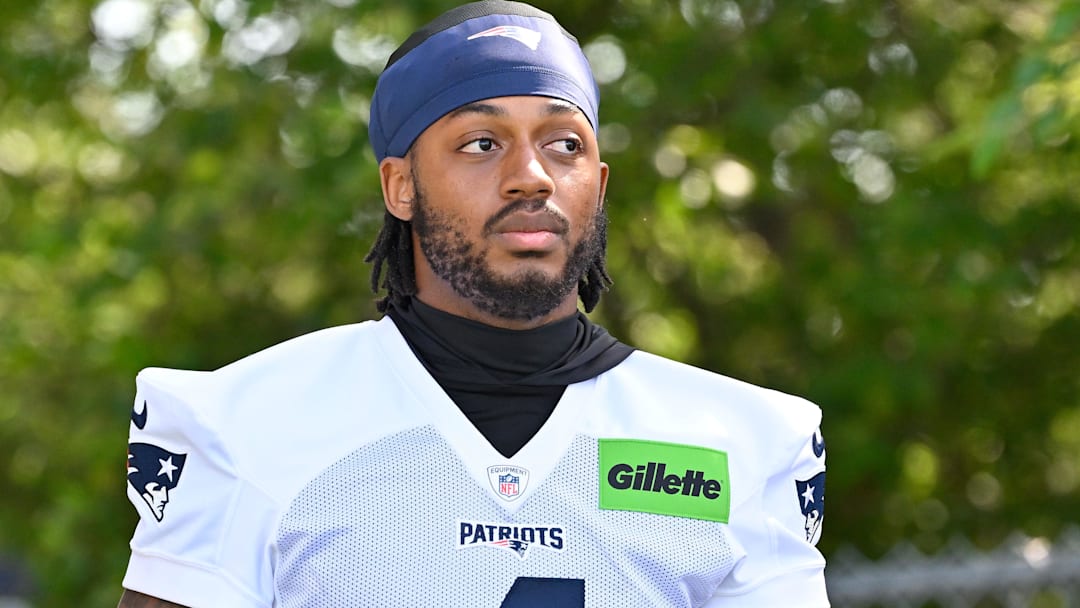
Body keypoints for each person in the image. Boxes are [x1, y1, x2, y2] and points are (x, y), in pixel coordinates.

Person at [118, 1, 829, 606]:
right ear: (400, 186)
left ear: (600, 184)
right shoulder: (245, 421)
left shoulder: (745, 441)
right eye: (482, 143)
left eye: (564, 144)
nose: (531, 177)